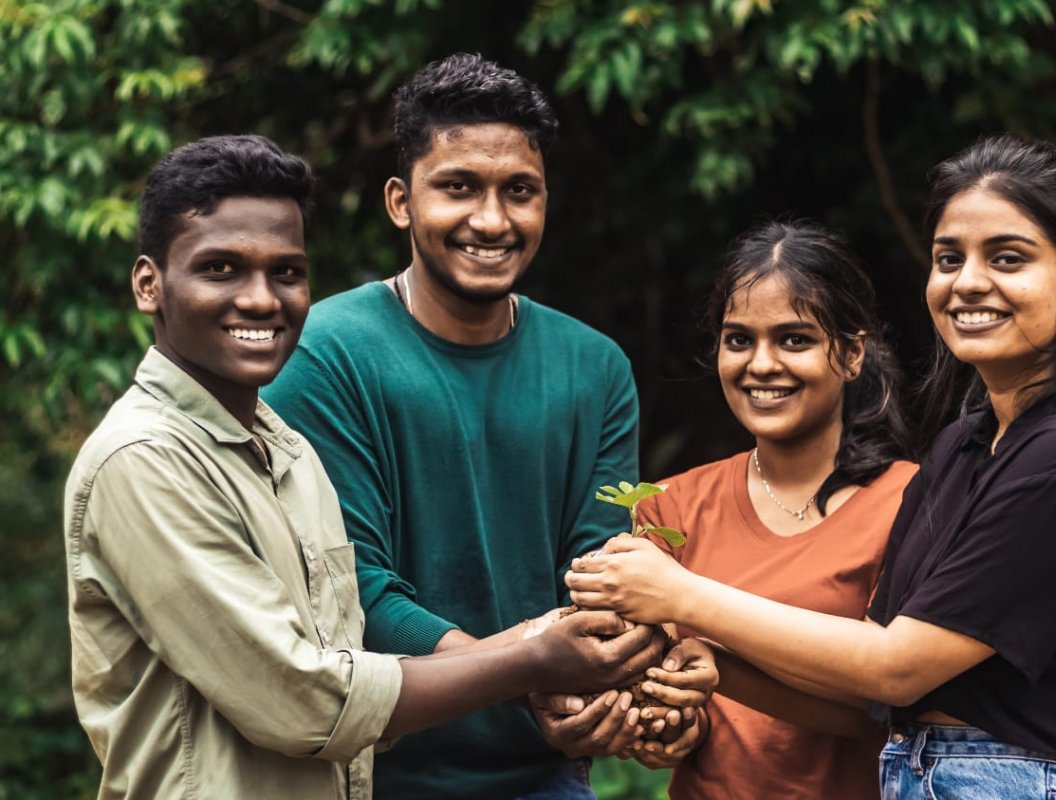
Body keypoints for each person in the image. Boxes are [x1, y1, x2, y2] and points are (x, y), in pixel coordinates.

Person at [567, 135, 1056, 798]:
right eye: (949, 258)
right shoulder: (966, 445)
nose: (968, 281)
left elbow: (896, 669)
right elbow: (873, 684)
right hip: (925, 771)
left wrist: (682, 598)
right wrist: (715, 666)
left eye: (1007, 258)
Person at [63, 134, 666, 800]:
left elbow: (345, 645)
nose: (262, 299)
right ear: (150, 285)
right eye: (221, 269)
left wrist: (636, 661)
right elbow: (304, 699)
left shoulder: (280, 448)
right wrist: (531, 662)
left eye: (286, 272)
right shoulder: (146, 461)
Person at [262, 54, 712, 799]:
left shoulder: (593, 366)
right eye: (460, 187)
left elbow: (602, 574)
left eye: (520, 192)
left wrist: (616, 677)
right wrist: (529, 672)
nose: (493, 220)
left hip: (547, 772)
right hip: (380, 775)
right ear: (401, 201)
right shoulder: (323, 353)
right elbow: (354, 591)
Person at [616, 220, 916, 798]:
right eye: (739, 339)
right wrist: (667, 723)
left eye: (794, 339)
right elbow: (665, 679)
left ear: (852, 354)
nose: (761, 364)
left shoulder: (911, 502)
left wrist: (702, 626)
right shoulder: (669, 504)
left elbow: (889, 702)